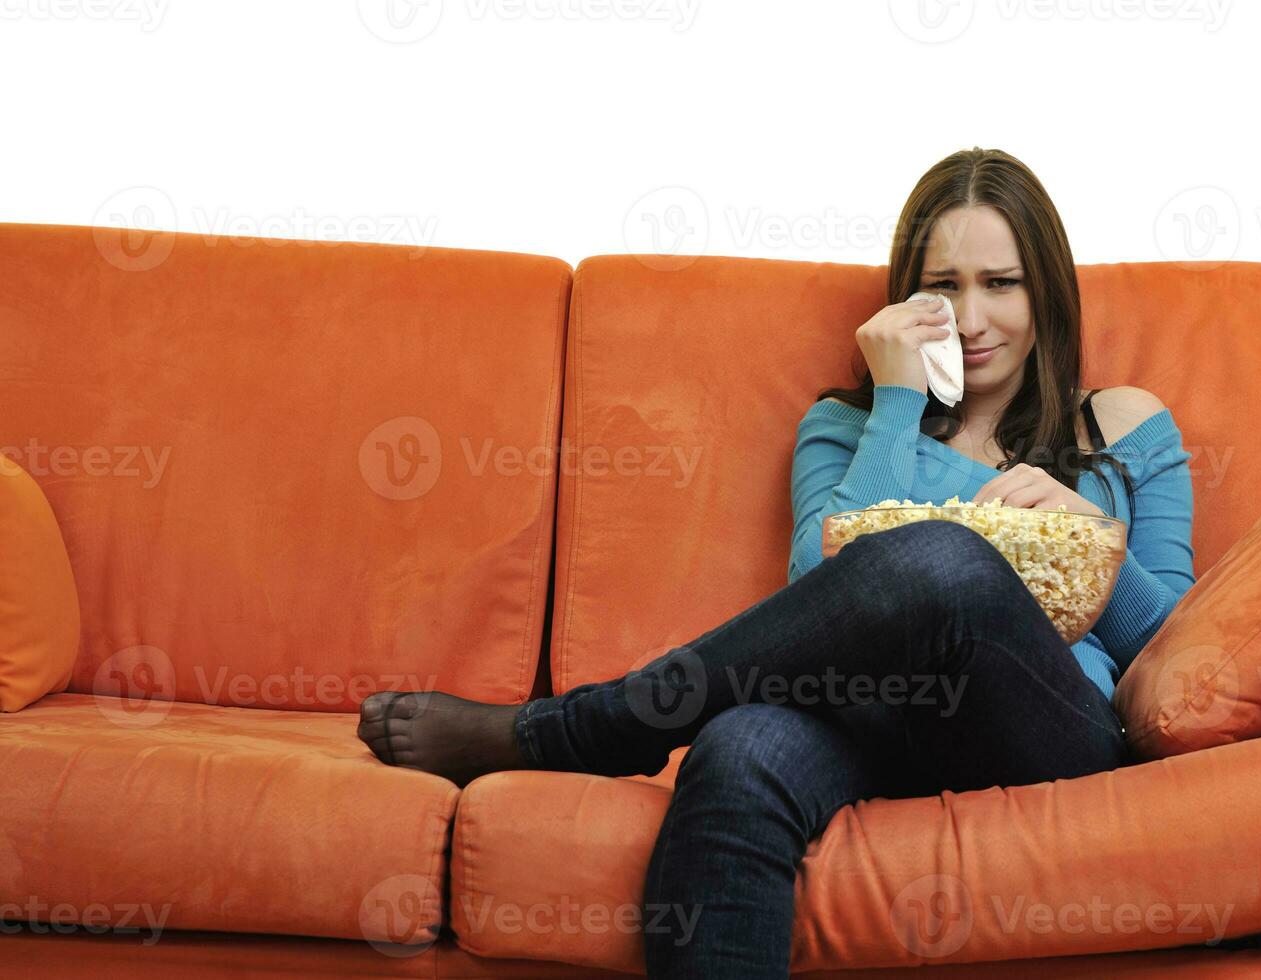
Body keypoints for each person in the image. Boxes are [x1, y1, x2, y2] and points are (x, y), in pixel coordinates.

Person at [356, 146, 1197, 978]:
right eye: (943, 287)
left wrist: (1098, 543)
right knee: (736, 747)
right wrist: (898, 399)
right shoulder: (848, 424)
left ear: (1047, 288)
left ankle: (578, 732)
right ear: (907, 298)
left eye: (1000, 283)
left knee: (949, 559)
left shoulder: (1122, 426)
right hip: (869, 718)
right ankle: (604, 735)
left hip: (1046, 723)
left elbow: (1182, 651)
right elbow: (823, 593)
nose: (971, 320)